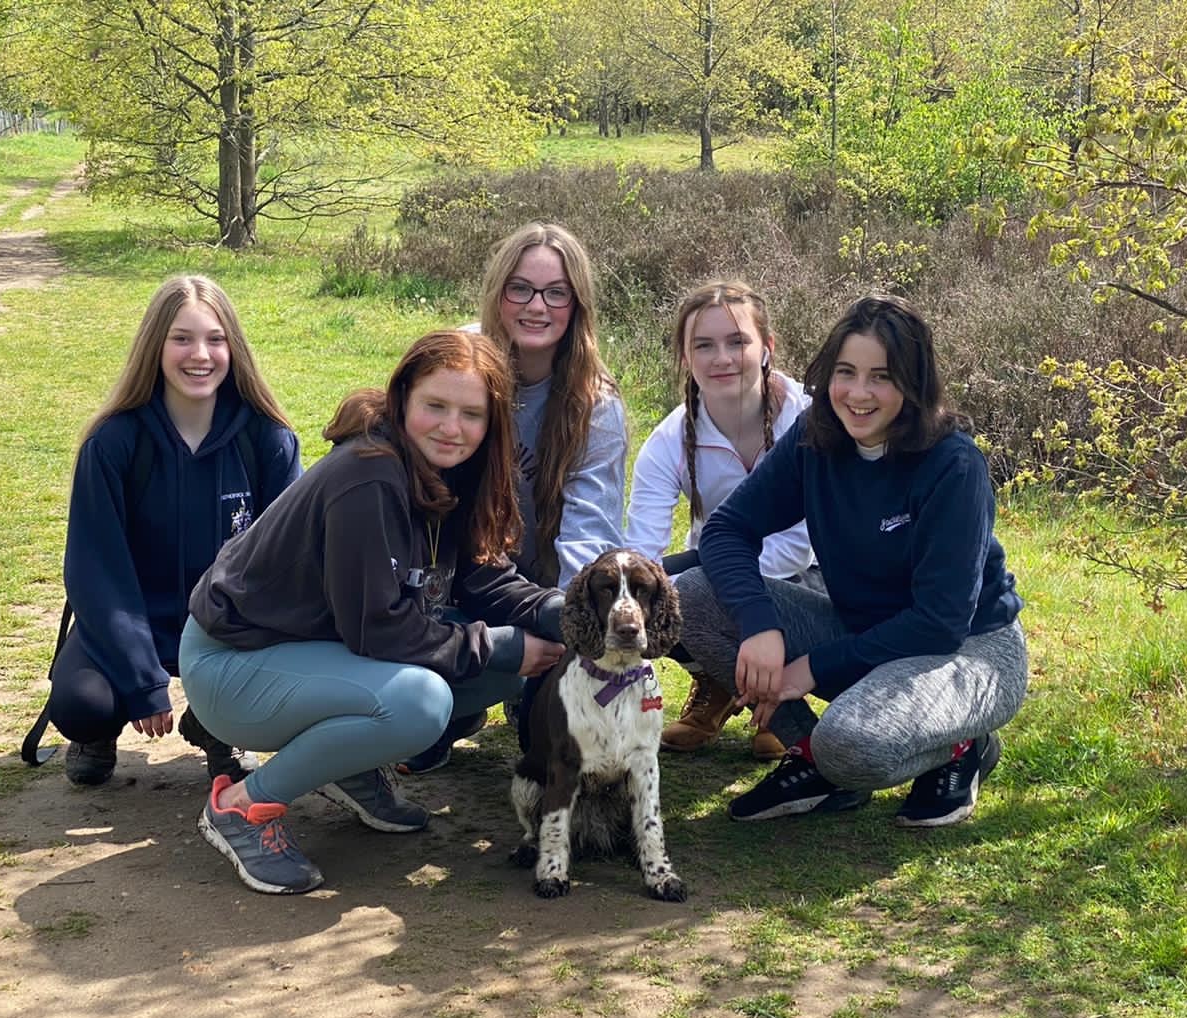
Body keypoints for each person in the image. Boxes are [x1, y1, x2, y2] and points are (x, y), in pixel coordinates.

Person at [180, 330, 566, 894]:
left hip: (314, 650)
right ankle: (242, 807)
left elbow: (485, 575)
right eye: (435, 406)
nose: (451, 428)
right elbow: (377, 629)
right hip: (232, 665)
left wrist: (555, 611)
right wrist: (504, 643)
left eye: (471, 414)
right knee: (422, 700)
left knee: (500, 662)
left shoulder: (458, 469)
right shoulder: (368, 473)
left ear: (493, 422)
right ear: (403, 396)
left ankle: (350, 766)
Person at [675, 293, 1027, 827]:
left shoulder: (954, 465)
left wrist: (811, 669)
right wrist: (760, 626)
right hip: (861, 630)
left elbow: (940, 622)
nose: (858, 394)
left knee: (851, 742)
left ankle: (964, 744)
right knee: (693, 595)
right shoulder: (817, 439)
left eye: (881, 377)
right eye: (846, 372)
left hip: (968, 652)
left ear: (913, 383)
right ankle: (813, 760)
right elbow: (727, 530)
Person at [51, 275, 300, 787]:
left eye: (214, 338)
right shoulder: (113, 443)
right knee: (82, 705)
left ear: (233, 347)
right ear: (155, 347)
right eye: (182, 339)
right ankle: (99, 729)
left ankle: (214, 724)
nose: (200, 355)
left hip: (228, 624)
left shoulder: (268, 440)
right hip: (137, 615)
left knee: (293, 680)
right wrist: (142, 681)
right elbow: (96, 571)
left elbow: (290, 566)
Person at [399, 221, 627, 774]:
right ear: (498, 292)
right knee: (422, 680)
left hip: (533, 586)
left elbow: (589, 531)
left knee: (548, 740)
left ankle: (516, 690)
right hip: (450, 573)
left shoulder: (594, 406)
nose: (537, 307)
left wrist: (571, 623)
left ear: (577, 304)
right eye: (520, 289)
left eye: (556, 293)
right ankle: (452, 714)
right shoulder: (463, 360)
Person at [624, 280, 820, 762]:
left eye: (738, 342)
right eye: (704, 346)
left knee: (702, 584)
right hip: (718, 575)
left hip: (812, 578)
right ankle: (717, 682)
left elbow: (797, 545)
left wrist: (728, 582)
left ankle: (779, 706)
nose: (722, 358)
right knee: (649, 590)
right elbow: (640, 553)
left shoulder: (814, 420)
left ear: (767, 348)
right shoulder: (670, 439)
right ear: (685, 358)